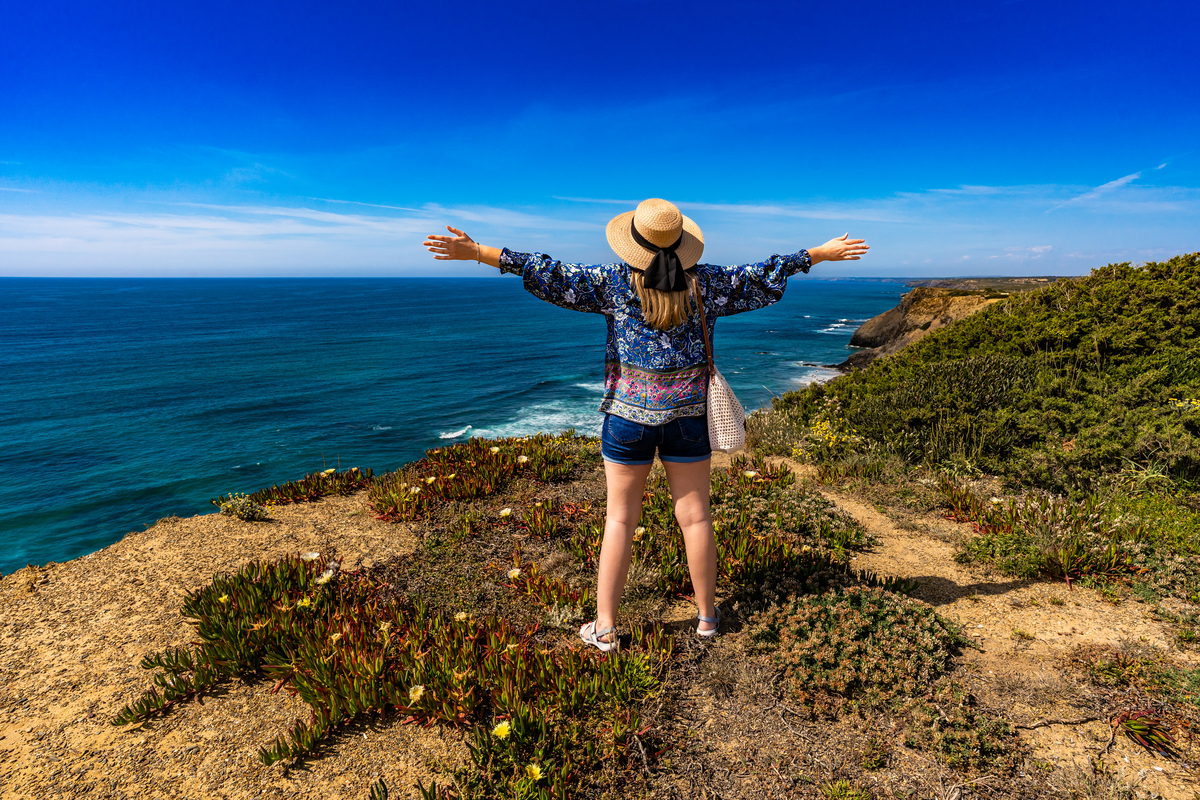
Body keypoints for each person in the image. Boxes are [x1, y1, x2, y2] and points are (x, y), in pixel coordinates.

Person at [424, 198, 868, 651]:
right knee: (695, 518)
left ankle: (605, 629)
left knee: (619, 519)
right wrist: (818, 253)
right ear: (681, 242)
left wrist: (477, 251)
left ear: (632, 243)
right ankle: (707, 619)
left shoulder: (613, 283)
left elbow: (548, 271)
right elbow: (763, 272)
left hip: (627, 418)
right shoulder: (708, 283)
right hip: (689, 416)